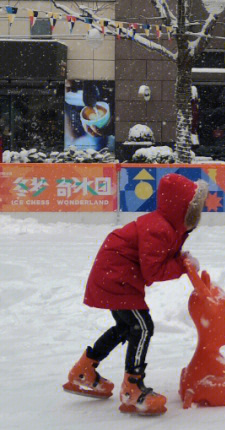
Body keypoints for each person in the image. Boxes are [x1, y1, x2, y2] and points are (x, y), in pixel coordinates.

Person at [64, 173, 207, 415]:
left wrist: (180, 260)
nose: (197, 214)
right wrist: (182, 266)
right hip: (116, 277)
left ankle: (83, 370)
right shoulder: (159, 227)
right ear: (181, 208)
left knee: (126, 327)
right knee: (142, 327)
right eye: (194, 208)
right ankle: (133, 388)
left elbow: (159, 259)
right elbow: (153, 270)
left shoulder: (169, 227)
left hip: (117, 274)